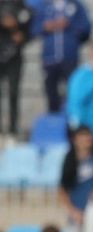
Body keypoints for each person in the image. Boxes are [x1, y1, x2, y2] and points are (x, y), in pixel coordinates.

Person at [32, 0, 91, 113]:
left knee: (73, 92)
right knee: (51, 93)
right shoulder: (45, 6)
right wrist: (46, 26)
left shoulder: (76, 6)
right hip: (49, 58)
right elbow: (34, 29)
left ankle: (72, 120)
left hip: (70, 58)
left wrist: (69, 25)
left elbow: (86, 29)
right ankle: (54, 120)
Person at [0, 0, 32, 137]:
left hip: (14, 57)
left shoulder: (23, 8)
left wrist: (22, 37)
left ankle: (13, 127)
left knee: (14, 92)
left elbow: (30, 29)